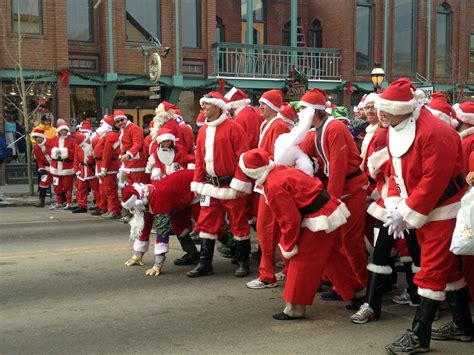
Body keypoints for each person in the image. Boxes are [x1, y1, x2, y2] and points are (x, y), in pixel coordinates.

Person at [375, 78, 472, 354]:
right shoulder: (399, 124)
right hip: (424, 210)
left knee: (430, 272)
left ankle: (419, 336)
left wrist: (406, 211)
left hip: (443, 210)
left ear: (402, 108)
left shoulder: (434, 133)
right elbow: (397, 170)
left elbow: (434, 181)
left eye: (385, 108)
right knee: (449, 271)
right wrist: (395, 206)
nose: (380, 113)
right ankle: (464, 326)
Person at [239, 148, 350, 320]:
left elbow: (290, 220)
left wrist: (289, 244)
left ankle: (295, 308)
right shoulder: (278, 170)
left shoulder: (273, 185)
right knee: (332, 257)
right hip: (327, 209)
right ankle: (357, 291)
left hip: (318, 217)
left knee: (300, 261)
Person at [299, 88, 368, 308]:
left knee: (350, 239)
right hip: (340, 188)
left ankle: (362, 285)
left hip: (352, 188)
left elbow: (338, 168)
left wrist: (332, 201)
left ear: (314, 111)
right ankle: (347, 284)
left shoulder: (334, 128)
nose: (300, 113)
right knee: (339, 240)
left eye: (303, 109)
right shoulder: (318, 130)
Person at [189, 91, 252, 278]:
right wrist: (197, 183)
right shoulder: (202, 131)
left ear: (217, 106)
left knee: (238, 224)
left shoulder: (233, 128)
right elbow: (200, 161)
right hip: (210, 187)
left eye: (207, 104)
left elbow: (243, 158)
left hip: (231, 186)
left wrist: (240, 184)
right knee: (207, 224)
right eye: (203, 104)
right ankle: (205, 263)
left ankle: (243, 262)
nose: (203, 107)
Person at [246, 89, 291, 289]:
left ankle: (267, 275)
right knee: (273, 230)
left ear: (272, 106)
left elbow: (277, 156)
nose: (260, 107)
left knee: (268, 229)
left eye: (263, 104)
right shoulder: (268, 124)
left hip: (271, 183)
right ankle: (286, 269)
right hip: (265, 182)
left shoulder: (278, 125)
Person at [122, 169, 201, 274]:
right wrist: (138, 254)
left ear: (138, 202)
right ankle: (193, 254)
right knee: (179, 227)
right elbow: (145, 227)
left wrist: (157, 264)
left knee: (207, 227)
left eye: (132, 208)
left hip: (196, 187)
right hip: (179, 198)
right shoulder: (146, 199)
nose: (132, 211)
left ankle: (209, 259)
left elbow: (162, 231)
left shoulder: (158, 201)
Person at [93, 115, 121, 219]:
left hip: (109, 167)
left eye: (101, 124)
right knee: (107, 189)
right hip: (104, 166)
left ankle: (114, 210)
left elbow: (107, 153)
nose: (99, 126)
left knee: (110, 190)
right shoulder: (106, 135)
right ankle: (111, 209)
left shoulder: (111, 136)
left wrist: (104, 168)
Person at [113, 110, 148, 184]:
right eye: (117, 121)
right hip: (127, 163)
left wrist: (129, 155)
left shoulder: (134, 128)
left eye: (121, 120)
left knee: (138, 187)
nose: (120, 122)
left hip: (136, 163)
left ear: (126, 119)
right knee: (129, 186)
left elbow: (137, 144)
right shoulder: (122, 130)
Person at [48, 119, 76, 209]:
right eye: (62, 130)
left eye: (65, 130)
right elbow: (48, 149)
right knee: (57, 186)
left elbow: (74, 152)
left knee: (68, 186)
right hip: (56, 167)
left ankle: (68, 202)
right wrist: (54, 151)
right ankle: (58, 202)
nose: (63, 132)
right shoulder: (53, 139)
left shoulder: (71, 140)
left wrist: (64, 151)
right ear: (59, 131)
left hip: (67, 167)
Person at [71, 132, 100, 213]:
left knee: (96, 189)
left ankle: (99, 205)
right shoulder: (78, 145)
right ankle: (82, 205)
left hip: (91, 170)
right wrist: (76, 170)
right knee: (81, 189)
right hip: (82, 170)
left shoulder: (92, 145)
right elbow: (76, 158)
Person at [30, 127, 52, 207]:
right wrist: (41, 168)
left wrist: (48, 151)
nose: (35, 139)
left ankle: (63, 201)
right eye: (34, 137)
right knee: (43, 183)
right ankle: (41, 200)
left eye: (36, 137)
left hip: (57, 166)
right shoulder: (36, 147)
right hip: (47, 167)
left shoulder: (50, 142)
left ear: (41, 137)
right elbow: (39, 160)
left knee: (60, 184)